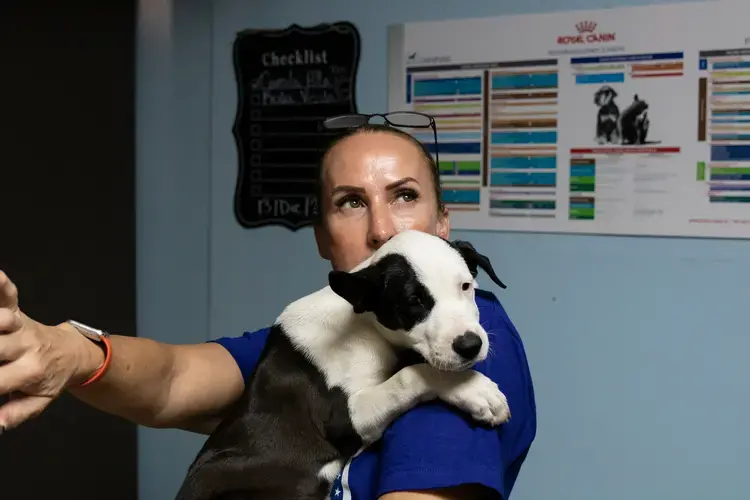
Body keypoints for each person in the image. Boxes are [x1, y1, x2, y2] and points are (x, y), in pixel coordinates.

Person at [0, 120, 537, 500]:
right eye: (351, 202)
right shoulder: (330, 330)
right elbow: (172, 381)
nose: (381, 229)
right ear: (322, 241)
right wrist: (65, 350)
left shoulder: (467, 347)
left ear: (443, 224)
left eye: (404, 196)